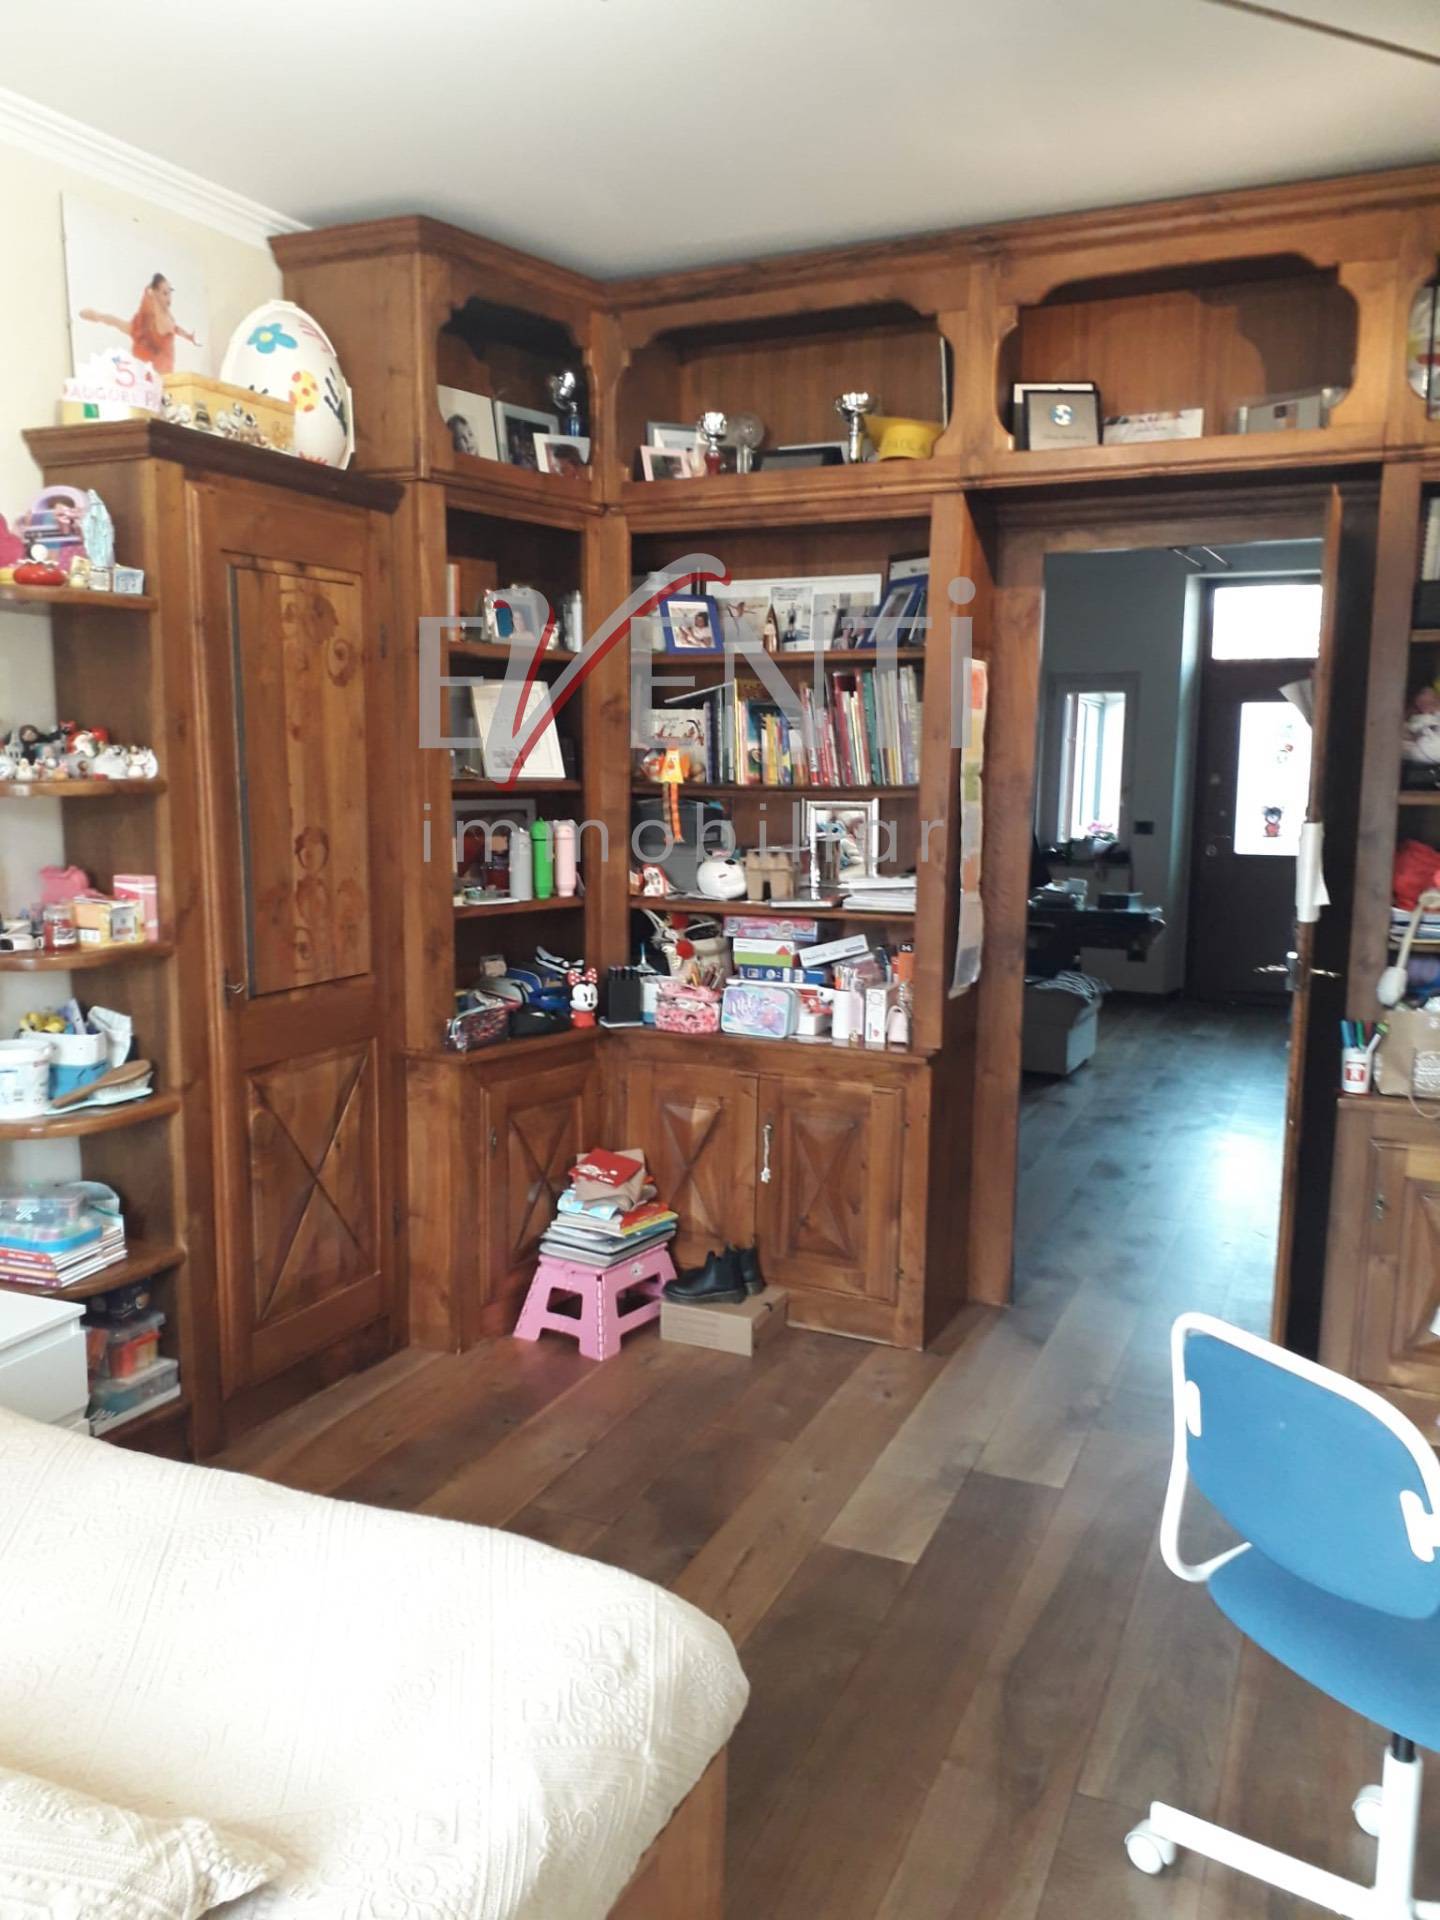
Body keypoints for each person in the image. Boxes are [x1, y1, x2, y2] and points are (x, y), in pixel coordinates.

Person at [81, 273, 200, 376]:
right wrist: (98, 316)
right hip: (145, 350)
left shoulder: (164, 319)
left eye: (169, 293)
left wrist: (188, 336)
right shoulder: (147, 316)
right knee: (119, 323)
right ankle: (96, 316)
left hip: (160, 370)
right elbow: (117, 322)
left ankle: (97, 316)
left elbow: (172, 327)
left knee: (120, 324)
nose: (169, 298)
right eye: (165, 293)